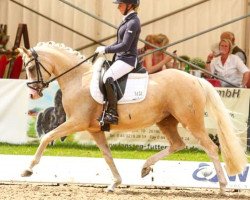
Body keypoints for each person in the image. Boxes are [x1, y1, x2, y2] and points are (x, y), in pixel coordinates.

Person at [95, 0, 141, 125]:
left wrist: (106, 49)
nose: (118, 7)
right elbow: (118, 42)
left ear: (130, 5)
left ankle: (112, 114)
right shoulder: (126, 20)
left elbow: (125, 46)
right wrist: (105, 48)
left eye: (121, 4)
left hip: (128, 59)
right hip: (120, 58)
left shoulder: (133, 22)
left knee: (107, 78)